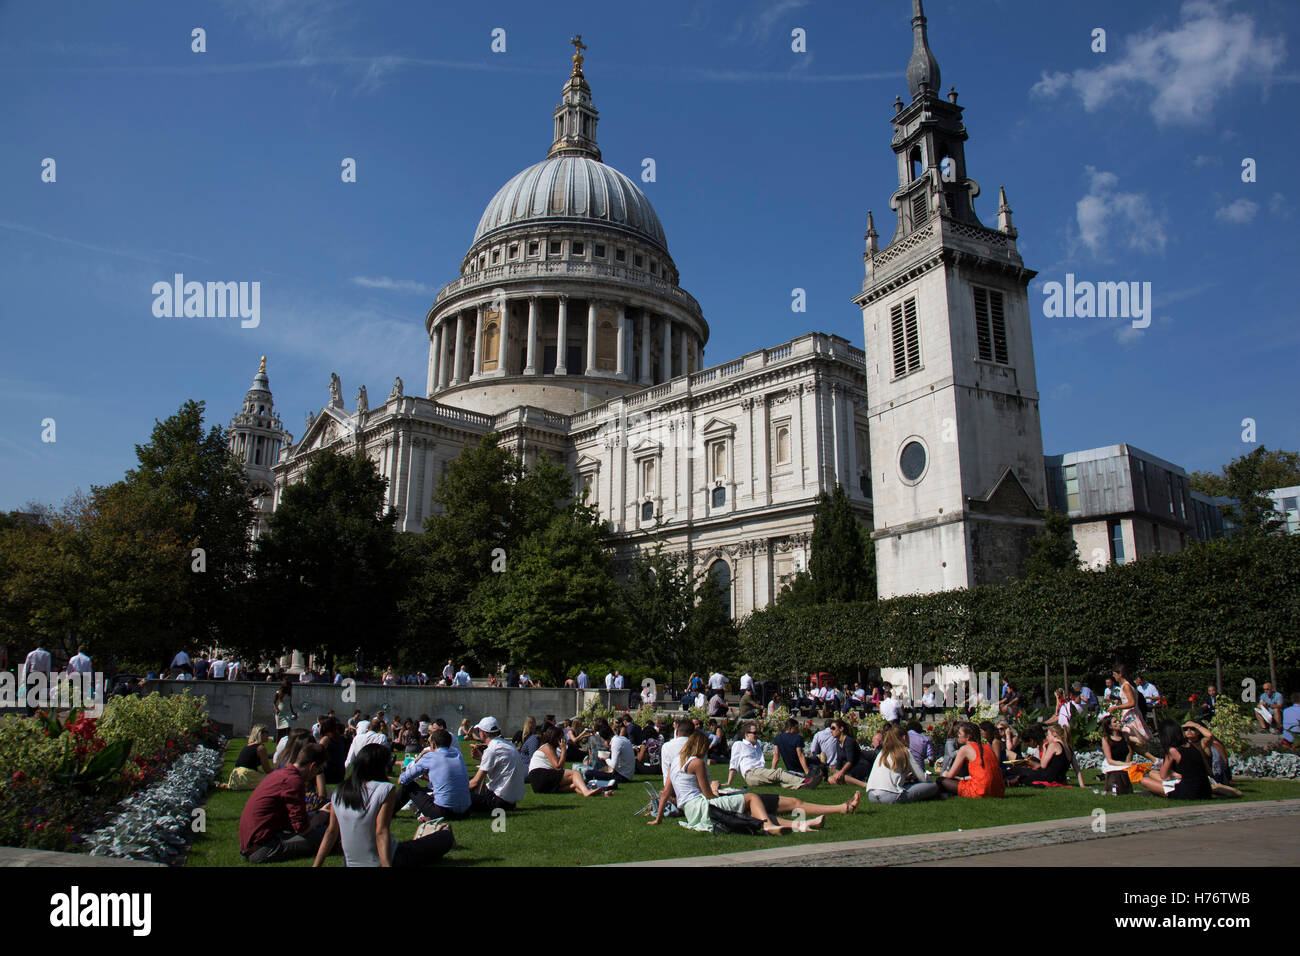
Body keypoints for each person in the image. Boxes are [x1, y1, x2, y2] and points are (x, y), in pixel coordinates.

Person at [649, 732, 858, 834]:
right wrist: (717, 789)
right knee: (752, 798)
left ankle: (807, 823)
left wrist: (659, 818)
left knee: (755, 811)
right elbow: (708, 796)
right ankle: (768, 826)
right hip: (702, 806)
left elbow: (667, 792)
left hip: (691, 810)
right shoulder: (696, 763)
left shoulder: (677, 761)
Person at [313, 743, 453, 867]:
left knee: (412, 846)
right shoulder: (385, 789)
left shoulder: (340, 791)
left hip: (351, 862)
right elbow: (381, 831)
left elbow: (331, 832)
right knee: (445, 837)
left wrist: (316, 865)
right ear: (379, 767)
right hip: (386, 858)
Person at [239, 742, 331, 863]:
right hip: (263, 848)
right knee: (329, 834)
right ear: (312, 766)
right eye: (318, 771)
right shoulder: (294, 782)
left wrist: (315, 814)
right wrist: (322, 816)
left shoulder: (281, 774)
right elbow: (303, 829)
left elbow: (293, 819)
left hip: (252, 844)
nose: (317, 775)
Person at [399, 729, 473, 820]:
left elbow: (405, 778)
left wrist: (402, 777)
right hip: (465, 811)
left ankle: (388, 812)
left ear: (433, 744)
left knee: (408, 785)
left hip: (443, 811)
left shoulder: (430, 757)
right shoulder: (457, 754)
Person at [724, 721, 814, 790]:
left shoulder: (757, 744)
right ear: (746, 734)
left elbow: (775, 756)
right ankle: (805, 781)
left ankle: (801, 786)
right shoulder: (739, 744)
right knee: (778, 773)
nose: (756, 735)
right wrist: (729, 782)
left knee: (779, 781)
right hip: (751, 773)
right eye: (754, 733)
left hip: (758, 774)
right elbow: (734, 764)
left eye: (757, 733)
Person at [864, 725, 940, 802]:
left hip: (872, 795)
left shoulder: (882, 752)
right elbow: (922, 777)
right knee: (933, 786)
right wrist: (930, 781)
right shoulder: (905, 751)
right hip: (890, 795)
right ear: (904, 738)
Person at [1139, 720, 1212, 800]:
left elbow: (1163, 776)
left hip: (1188, 792)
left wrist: (1173, 773)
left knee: (1144, 780)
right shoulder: (1193, 746)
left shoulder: (1172, 751)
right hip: (1205, 789)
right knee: (1153, 773)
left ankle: (1159, 793)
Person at [466, 717, 525, 812]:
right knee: (468, 780)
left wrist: (456, 791)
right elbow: (501, 765)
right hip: (510, 799)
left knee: (462, 798)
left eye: (479, 731)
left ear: (483, 733)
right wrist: (481, 758)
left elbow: (475, 782)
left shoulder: (491, 750)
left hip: (498, 800)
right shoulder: (509, 745)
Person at [528, 727, 608, 796]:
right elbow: (558, 767)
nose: (563, 739)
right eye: (561, 737)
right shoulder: (547, 746)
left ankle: (601, 794)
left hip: (539, 784)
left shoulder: (551, 749)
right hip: (540, 775)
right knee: (575, 773)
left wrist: (563, 751)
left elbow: (561, 768)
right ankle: (586, 792)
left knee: (575, 784)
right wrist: (563, 750)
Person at [937, 722, 1003, 798]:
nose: (958, 736)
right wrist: (962, 778)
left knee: (941, 780)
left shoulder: (964, 749)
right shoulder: (987, 747)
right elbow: (984, 773)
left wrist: (944, 773)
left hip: (980, 790)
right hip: (998, 790)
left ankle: (946, 795)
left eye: (959, 733)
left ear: (968, 737)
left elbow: (950, 775)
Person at [1107, 664, 1151, 748]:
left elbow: (1132, 702)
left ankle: (1144, 747)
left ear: (1120, 674)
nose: (1114, 677)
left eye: (1115, 675)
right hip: (1129, 713)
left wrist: (1116, 707)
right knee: (1129, 741)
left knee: (1127, 735)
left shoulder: (1126, 686)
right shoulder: (1127, 685)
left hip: (1131, 714)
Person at [827, 719, 879, 788]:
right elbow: (839, 759)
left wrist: (840, 772)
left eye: (833, 728)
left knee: (842, 776)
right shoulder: (838, 743)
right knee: (831, 779)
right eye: (831, 728)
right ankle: (850, 781)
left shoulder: (849, 741)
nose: (831, 731)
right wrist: (837, 771)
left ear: (841, 729)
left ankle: (864, 785)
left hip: (858, 767)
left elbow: (850, 761)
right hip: (848, 769)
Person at [1099, 714, 1137, 794]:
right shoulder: (1106, 739)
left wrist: (1133, 730)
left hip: (1124, 763)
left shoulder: (1125, 735)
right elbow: (1109, 760)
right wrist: (1126, 764)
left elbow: (1141, 741)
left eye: (1118, 721)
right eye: (1115, 722)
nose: (1119, 722)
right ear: (1110, 726)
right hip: (1112, 764)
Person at [228, 724, 275, 790]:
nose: (268, 735)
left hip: (236, 777)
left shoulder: (248, 746)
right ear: (260, 734)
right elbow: (267, 770)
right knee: (275, 779)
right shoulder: (261, 748)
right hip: (247, 777)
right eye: (266, 732)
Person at [21, 644, 51, 715]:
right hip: (41, 675)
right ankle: (35, 711)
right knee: (37, 695)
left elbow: (26, 666)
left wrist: (24, 678)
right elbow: (48, 667)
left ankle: (29, 712)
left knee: (30, 694)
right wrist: (47, 678)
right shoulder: (47, 654)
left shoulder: (31, 654)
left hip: (32, 674)